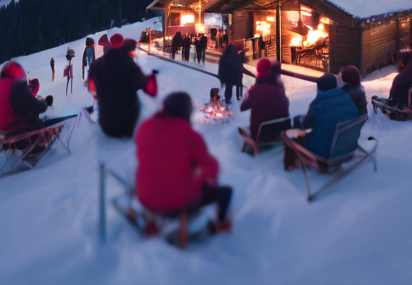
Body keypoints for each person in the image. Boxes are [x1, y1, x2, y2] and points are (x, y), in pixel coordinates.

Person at [135, 92, 232, 232]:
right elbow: (211, 167)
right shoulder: (189, 136)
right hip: (175, 203)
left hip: (145, 197)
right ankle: (221, 224)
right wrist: (203, 180)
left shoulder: (145, 128)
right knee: (225, 192)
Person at [88, 34, 157, 138]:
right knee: (145, 104)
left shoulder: (96, 65)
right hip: (129, 125)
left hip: (106, 125)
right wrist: (152, 77)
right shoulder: (129, 64)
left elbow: (92, 89)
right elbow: (150, 89)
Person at [285, 73, 360, 168]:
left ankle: (291, 165)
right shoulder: (348, 98)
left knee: (294, 133)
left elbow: (306, 127)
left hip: (327, 152)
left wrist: (299, 123)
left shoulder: (318, 105)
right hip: (348, 146)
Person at [240, 58, 289, 141]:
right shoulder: (279, 89)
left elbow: (243, 107)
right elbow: (286, 105)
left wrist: (248, 94)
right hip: (279, 133)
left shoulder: (255, 90)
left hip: (261, 135)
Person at [0, 61, 46, 133]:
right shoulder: (16, 85)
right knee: (38, 123)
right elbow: (34, 105)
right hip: (16, 129)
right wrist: (44, 105)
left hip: (0, 131)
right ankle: (40, 141)